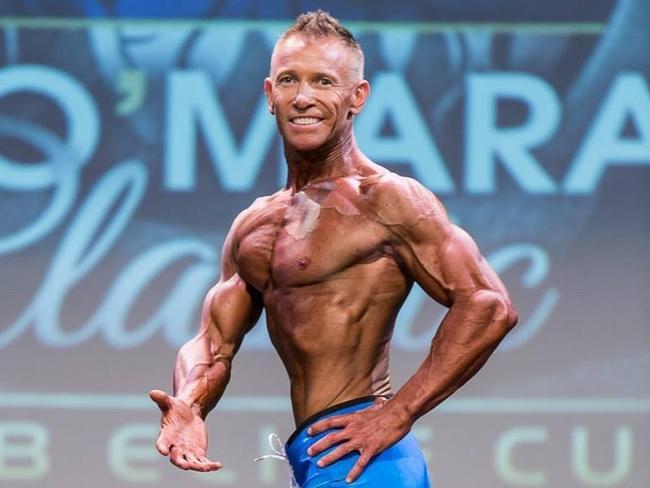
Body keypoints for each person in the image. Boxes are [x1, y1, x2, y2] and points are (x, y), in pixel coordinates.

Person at [150, 10, 518, 487]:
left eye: (323, 81)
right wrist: (190, 403)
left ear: (356, 97)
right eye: (289, 80)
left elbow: (489, 304)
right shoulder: (253, 226)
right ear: (269, 94)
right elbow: (213, 344)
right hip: (317, 455)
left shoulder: (387, 199)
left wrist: (399, 412)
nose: (303, 97)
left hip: (365, 457)